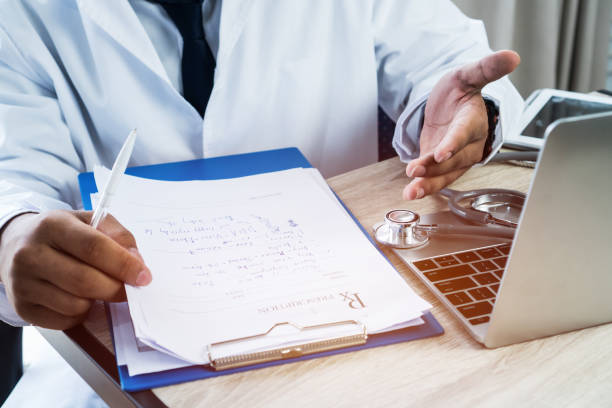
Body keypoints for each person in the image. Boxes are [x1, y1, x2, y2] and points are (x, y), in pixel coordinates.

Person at [0, 0, 522, 383]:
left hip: (349, 331)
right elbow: (14, 172)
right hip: (115, 362)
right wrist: (16, 232)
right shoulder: (23, 14)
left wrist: (471, 111)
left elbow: (450, 65)